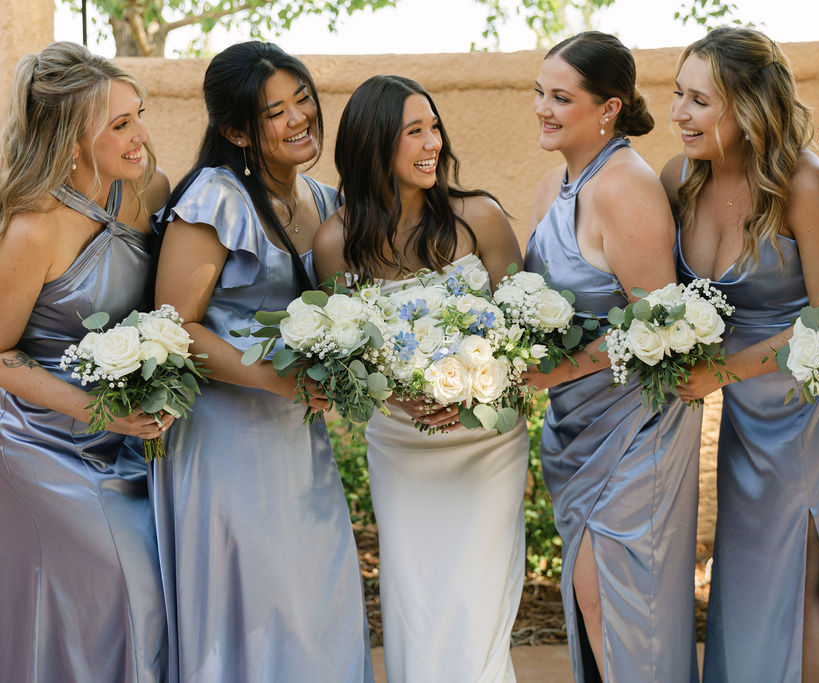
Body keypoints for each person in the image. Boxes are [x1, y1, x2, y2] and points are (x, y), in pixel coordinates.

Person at [663, 27, 819, 683]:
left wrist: (722, 370)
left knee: (804, 589)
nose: (678, 112)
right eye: (677, 94)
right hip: (750, 419)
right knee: (752, 588)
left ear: (747, 108)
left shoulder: (804, 186)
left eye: (698, 100)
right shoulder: (679, 177)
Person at [151, 41, 372, 682]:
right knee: (256, 612)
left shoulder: (326, 202)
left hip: (299, 444)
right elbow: (174, 326)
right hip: (226, 446)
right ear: (236, 131)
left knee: (319, 607)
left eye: (302, 97)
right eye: (275, 111)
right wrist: (283, 380)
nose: (299, 116)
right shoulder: (216, 199)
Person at [314, 74, 528, 683]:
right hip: (403, 449)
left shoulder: (478, 218)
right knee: (417, 602)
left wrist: (473, 390)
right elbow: (344, 357)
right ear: (374, 144)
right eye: (415, 131)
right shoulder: (337, 243)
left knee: (479, 605)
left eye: (434, 126)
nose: (432, 141)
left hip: (484, 444)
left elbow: (527, 336)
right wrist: (397, 395)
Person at [523, 31, 700, 682]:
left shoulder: (625, 186)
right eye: (540, 92)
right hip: (573, 424)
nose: (543, 107)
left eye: (561, 97)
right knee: (588, 594)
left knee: (617, 597)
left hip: (636, 424)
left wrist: (556, 368)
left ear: (608, 108)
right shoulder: (551, 187)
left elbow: (660, 327)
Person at [0, 42, 171, 682]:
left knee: (143, 596)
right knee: (128, 592)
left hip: (130, 441)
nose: (141, 136)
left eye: (139, 115)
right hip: (40, 446)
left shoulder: (146, 191)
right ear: (73, 140)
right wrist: (102, 409)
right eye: (120, 125)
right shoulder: (33, 229)